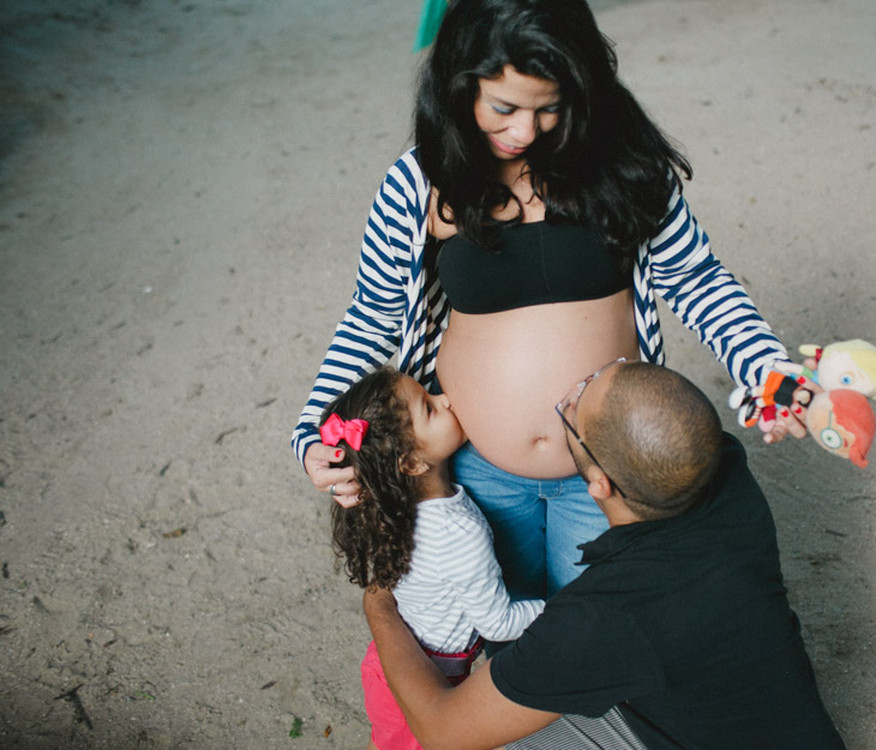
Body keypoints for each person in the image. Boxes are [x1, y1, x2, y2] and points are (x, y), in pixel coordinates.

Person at [293, 0, 813, 600]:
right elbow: (372, 316)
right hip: (472, 470)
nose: (524, 133)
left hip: (605, 472)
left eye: (550, 109)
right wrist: (314, 429)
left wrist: (769, 371)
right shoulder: (417, 183)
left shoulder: (625, 167)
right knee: (502, 648)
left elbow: (696, 280)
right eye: (504, 109)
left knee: (600, 645)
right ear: (461, 89)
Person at [362, 360, 847, 750]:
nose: (572, 389)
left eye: (573, 412)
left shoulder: (605, 615)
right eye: (595, 374)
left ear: (599, 485)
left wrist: (380, 607)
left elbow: (442, 732)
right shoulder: (725, 470)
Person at [319, 366, 545, 750]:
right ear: (411, 464)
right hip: (423, 681)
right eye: (430, 407)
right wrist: (562, 607)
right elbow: (498, 622)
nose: (445, 399)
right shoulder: (458, 533)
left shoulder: (394, 507)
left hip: (388, 664)